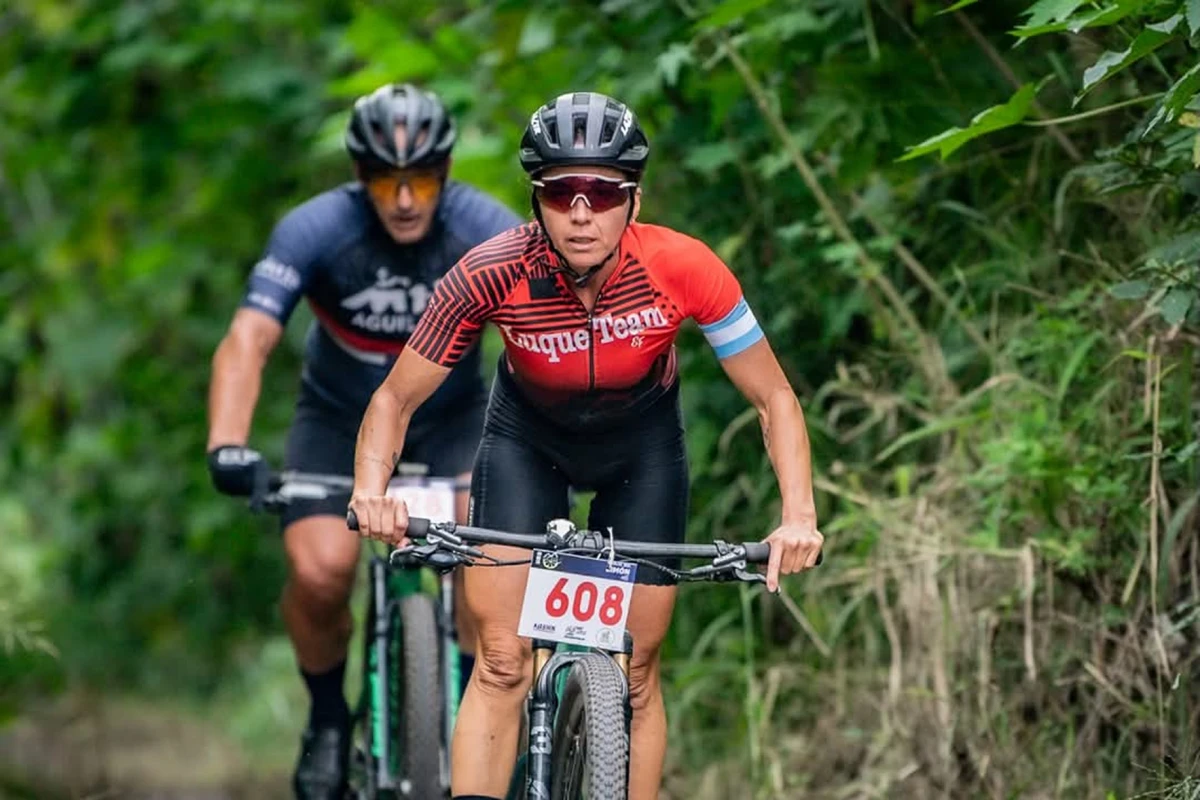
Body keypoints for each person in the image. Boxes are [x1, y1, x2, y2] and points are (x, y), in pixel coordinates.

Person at [348, 91, 823, 800]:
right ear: (536, 200)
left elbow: (774, 398)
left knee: (635, 673)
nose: (580, 211)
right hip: (526, 444)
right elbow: (394, 399)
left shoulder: (685, 268)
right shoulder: (491, 271)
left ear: (634, 199)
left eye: (602, 192)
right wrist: (370, 492)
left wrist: (799, 514)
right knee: (504, 659)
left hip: (643, 451)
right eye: (560, 190)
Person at [205, 83, 523, 800]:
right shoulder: (316, 230)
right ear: (359, 178)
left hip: (454, 423)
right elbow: (250, 339)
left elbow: (533, 342)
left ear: (446, 174)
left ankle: (480, 725)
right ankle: (325, 718)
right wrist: (228, 443)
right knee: (319, 572)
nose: (405, 200)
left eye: (421, 182)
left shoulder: (487, 228)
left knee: (488, 570)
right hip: (339, 423)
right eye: (386, 181)